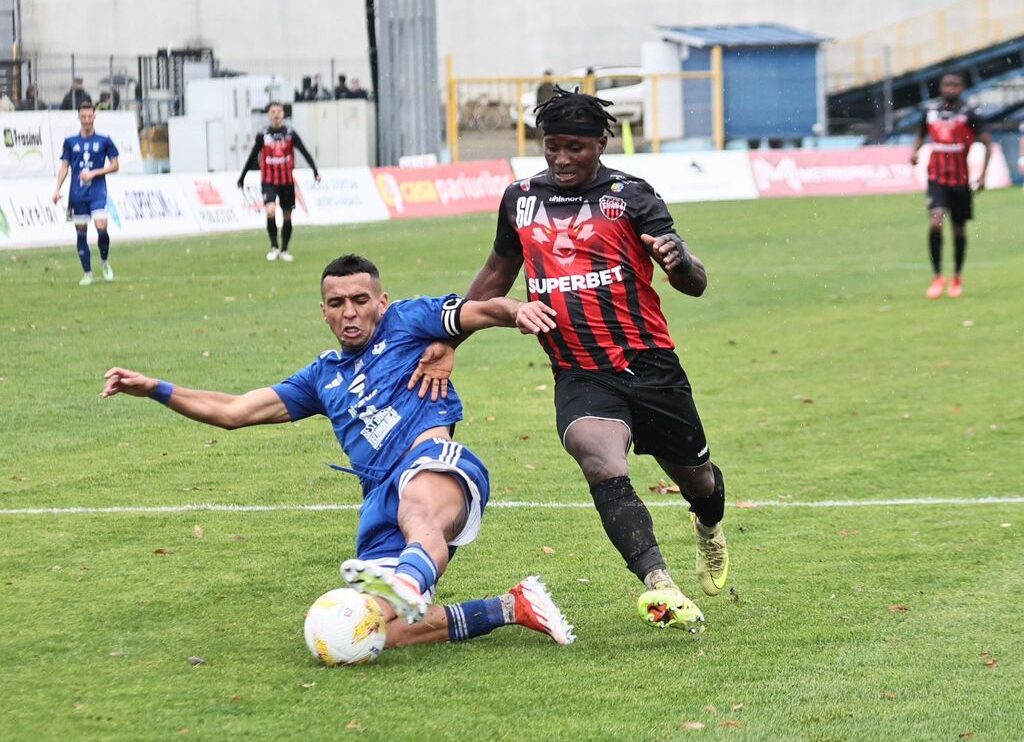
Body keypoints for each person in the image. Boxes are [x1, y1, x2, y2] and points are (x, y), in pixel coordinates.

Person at [100, 254, 575, 651]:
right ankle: (511, 606)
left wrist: (518, 311)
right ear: (324, 313)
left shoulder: (409, 320)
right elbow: (233, 411)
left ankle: (408, 582)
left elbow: (483, 310)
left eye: (360, 300)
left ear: (381, 302)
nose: (349, 312)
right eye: (337, 303)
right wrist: (156, 388)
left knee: (418, 514)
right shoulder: (321, 378)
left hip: (432, 461)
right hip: (379, 500)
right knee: (374, 633)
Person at [411, 87, 729, 634]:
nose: (560, 158)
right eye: (551, 146)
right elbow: (497, 272)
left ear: (601, 143)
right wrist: (451, 336)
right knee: (597, 457)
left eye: (574, 148)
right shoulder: (520, 199)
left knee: (698, 480)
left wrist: (680, 261)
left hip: (650, 365)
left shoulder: (632, 196)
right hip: (579, 370)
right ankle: (660, 583)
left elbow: (693, 283)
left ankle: (708, 526)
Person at [910, 72, 992, 299]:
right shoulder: (930, 111)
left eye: (955, 85)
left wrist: (983, 176)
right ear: (941, 87)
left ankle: (957, 276)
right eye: (947, 84)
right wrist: (915, 151)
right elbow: (921, 134)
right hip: (936, 178)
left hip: (961, 180)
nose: (950, 89)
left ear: (962, 88)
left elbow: (987, 143)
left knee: (958, 229)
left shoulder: (970, 113)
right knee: (936, 222)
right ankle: (937, 276)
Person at [237, 101, 321, 262]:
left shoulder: (290, 134)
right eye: (273, 112)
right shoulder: (263, 135)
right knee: (270, 210)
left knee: (287, 215)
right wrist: (242, 177)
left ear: (283, 114)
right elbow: (253, 155)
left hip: (287, 181)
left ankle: (284, 249)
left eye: (279, 111)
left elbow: (304, 152)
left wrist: (315, 171)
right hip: (269, 181)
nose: (276, 114)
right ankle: (274, 247)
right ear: (269, 115)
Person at [51, 101, 120, 286]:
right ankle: (87, 273)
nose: (87, 120)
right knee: (81, 233)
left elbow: (115, 165)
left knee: (101, 228)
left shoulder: (104, 141)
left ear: (94, 116)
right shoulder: (70, 142)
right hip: (77, 195)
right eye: (83, 117)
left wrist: (95, 173)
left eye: (90, 116)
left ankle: (104, 261)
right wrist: (57, 189)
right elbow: (64, 167)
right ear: (79, 117)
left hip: (97, 192)